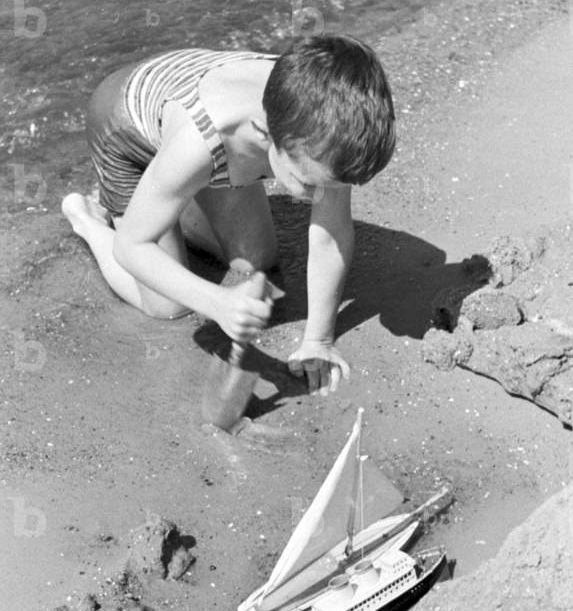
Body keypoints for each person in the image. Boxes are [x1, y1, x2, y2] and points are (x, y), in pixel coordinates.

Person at [61, 34, 396, 395]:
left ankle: (172, 200)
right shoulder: (203, 141)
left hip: (193, 122)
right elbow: (130, 247)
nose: (321, 197)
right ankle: (88, 218)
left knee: (256, 258)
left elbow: (329, 234)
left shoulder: (326, 127)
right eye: (307, 183)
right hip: (124, 127)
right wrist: (216, 302)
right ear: (266, 133)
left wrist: (319, 338)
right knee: (166, 304)